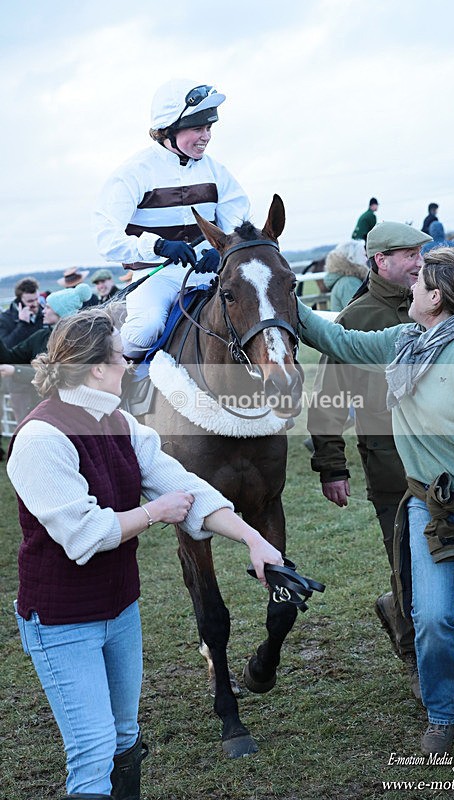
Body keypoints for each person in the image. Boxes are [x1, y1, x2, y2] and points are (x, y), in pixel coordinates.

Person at [7, 308, 283, 799]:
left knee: (125, 739)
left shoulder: (120, 422)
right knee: (93, 752)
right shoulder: (39, 438)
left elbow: (187, 487)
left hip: (120, 609)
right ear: (96, 368)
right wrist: (155, 512)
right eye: (121, 356)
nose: (130, 364)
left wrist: (253, 539)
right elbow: (85, 534)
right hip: (62, 620)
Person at [299, 246, 454, 761]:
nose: (410, 285)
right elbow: (337, 339)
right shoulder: (403, 342)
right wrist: (274, 288)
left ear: (436, 297)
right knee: (429, 617)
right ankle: (445, 713)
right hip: (431, 506)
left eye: (419, 279)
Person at [93, 78, 250, 359]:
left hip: (212, 272)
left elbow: (239, 223)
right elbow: (106, 240)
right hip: (158, 276)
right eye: (198, 128)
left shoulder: (218, 172)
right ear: (169, 129)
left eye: (209, 128)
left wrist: (222, 251)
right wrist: (158, 246)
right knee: (145, 329)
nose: (206, 136)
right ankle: (122, 382)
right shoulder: (133, 173)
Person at [0, 284, 93, 421]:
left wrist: (16, 371)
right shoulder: (42, 336)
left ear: (60, 311)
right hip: (42, 407)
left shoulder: (76, 341)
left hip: (69, 411)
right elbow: (9, 357)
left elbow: (57, 374)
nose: (43, 310)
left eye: (48, 307)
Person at [323, 240, 369, 312]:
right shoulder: (349, 283)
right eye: (363, 255)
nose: (366, 259)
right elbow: (360, 312)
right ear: (352, 258)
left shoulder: (346, 281)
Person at [0, 276, 44, 347]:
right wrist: (23, 324)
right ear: (19, 301)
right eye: (30, 301)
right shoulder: (4, 319)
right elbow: (5, 347)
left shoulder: (45, 314)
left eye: (37, 299)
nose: (35, 304)